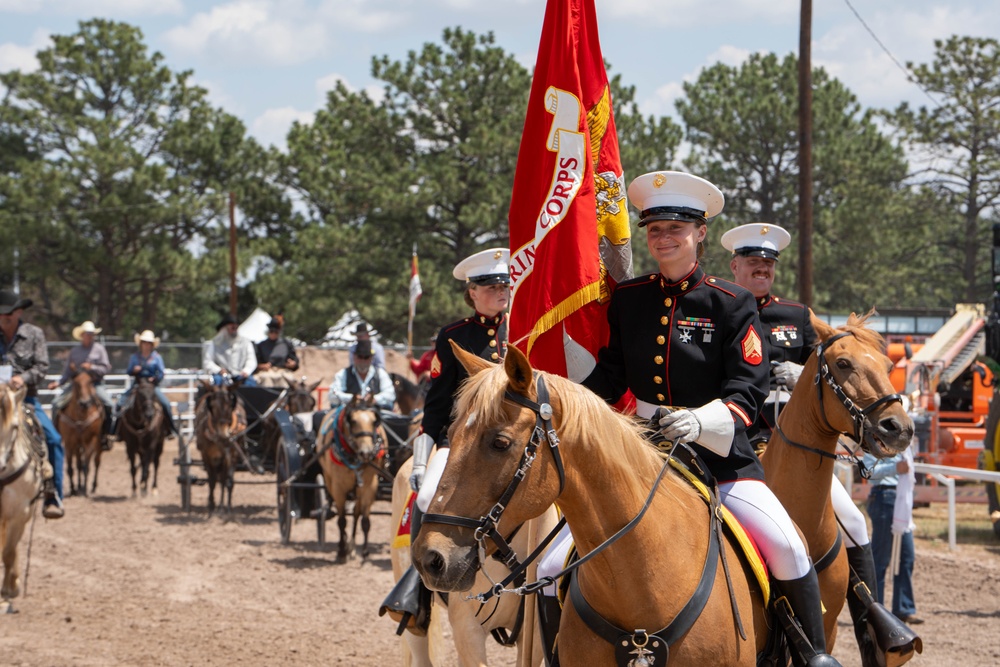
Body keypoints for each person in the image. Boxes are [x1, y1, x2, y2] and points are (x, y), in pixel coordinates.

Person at [571, 172, 840, 666]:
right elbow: (610, 378)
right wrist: (565, 399)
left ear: (699, 233)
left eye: (676, 227)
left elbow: (749, 391)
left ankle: (812, 656)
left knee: (788, 547)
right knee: (554, 559)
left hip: (718, 459)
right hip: (640, 452)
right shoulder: (629, 299)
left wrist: (701, 422)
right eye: (654, 229)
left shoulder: (731, 302)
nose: (664, 237)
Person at [723, 222, 912, 662]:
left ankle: (873, 629)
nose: (761, 269)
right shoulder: (723, 307)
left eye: (768, 264)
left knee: (856, 523)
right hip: (738, 444)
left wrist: (798, 376)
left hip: (797, 449)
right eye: (752, 262)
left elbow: (825, 371)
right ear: (735, 265)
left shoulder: (796, 316)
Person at [381, 247, 510, 634]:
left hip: (516, 441)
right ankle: (418, 593)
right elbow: (436, 405)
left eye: (504, 284)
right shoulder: (454, 336)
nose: (500, 291)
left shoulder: (526, 326)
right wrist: (422, 458)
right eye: (490, 286)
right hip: (463, 441)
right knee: (423, 498)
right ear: (472, 292)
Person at [0, 289, 64, 519]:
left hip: (25, 399)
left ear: (18, 312)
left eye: (7, 313)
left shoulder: (34, 334)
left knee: (54, 440)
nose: (2, 317)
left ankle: (52, 494)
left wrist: (22, 378)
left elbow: (42, 367)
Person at [864, 442, 923, 626]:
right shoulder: (874, 441)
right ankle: (876, 608)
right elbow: (868, 471)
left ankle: (903, 608)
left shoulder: (904, 444)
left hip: (900, 500)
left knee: (907, 556)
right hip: (884, 497)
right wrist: (895, 468)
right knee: (880, 559)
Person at [48, 320, 114, 450]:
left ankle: (106, 434)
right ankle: (56, 435)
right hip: (76, 385)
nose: (89, 336)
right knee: (56, 404)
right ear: (82, 335)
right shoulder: (74, 351)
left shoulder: (99, 350)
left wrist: (92, 367)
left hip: (95, 384)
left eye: (91, 334)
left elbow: (106, 368)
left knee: (109, 404)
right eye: (87, 333)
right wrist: (58, 382)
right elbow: (67, 371)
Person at [115, 330, 179, 436]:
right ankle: (117, 431)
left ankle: (171, 429)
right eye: (144, 342)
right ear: (141, 344)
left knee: (166, 404)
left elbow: (162, 373)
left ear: (152, 345)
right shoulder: (134, 357)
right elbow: (129, 371)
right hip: (137, 383)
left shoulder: (157, 357)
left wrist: (154, 379)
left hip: (152, 385)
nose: (146, 345)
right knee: (120, 403)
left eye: (149, 343)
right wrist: (134, 370)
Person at [329, 339, 395, 412]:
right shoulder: (343, 374)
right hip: (349, 415)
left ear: (371, 358)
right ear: (354, 357)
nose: (363, 361)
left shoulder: (381, 374)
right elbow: (333, 395)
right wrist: (352, 398)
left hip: (376, 414)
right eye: (360, 357)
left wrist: (375, 399)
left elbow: (390, 394)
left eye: (366, 357)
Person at [203, 313, 257, 386]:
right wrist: (219, 370)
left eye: (236, 328)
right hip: (222, 376)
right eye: (232, 328)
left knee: (250, 384)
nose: (234, 330)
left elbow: (251, 360)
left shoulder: (246, 343)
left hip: (240, 374)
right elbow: (207, 362)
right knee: (216, 386)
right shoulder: (214, 344)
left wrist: (246, 371)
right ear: (224, 328)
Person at [254, 316, 300, 387]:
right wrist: (261, 366)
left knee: (288, 379)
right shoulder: (261, 345)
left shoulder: (286, 344)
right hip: (267, 372)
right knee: (265, 379)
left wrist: (293, 364)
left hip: (283, 371)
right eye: (271, 331)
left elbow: (294, 360)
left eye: (276, 332)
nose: (273, 334)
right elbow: (255, 363)